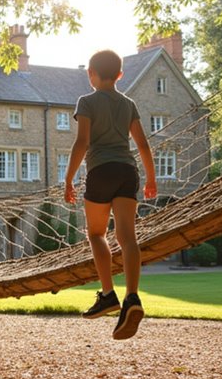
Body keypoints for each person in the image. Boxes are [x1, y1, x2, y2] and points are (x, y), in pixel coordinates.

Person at [64, 49, 157, 340]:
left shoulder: (87, 101)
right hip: (128, 172)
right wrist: (151, 178)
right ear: (119, 75)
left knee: (96, 234)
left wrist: (68, 179)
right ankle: (132, 297)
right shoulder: (128, 104)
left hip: (101, 171)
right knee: (128, 238)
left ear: (90, 74)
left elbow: (82, 142)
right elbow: (142, 144)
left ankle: (108, 294)